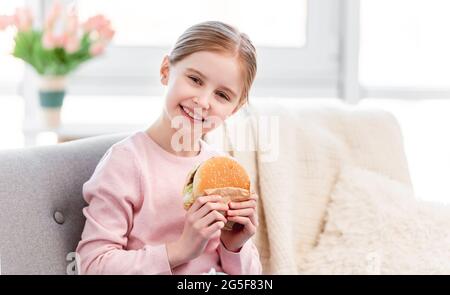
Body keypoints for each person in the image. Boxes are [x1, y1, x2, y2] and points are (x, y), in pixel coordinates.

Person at [76, 21, 262, 275]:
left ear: (235, 109)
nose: (203, 101)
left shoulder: (220, 171)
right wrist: (180, 250)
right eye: (195, 79)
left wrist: (234, 247)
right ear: (166, 71)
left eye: (222, 95)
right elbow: (91, 265)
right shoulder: (127, 162)